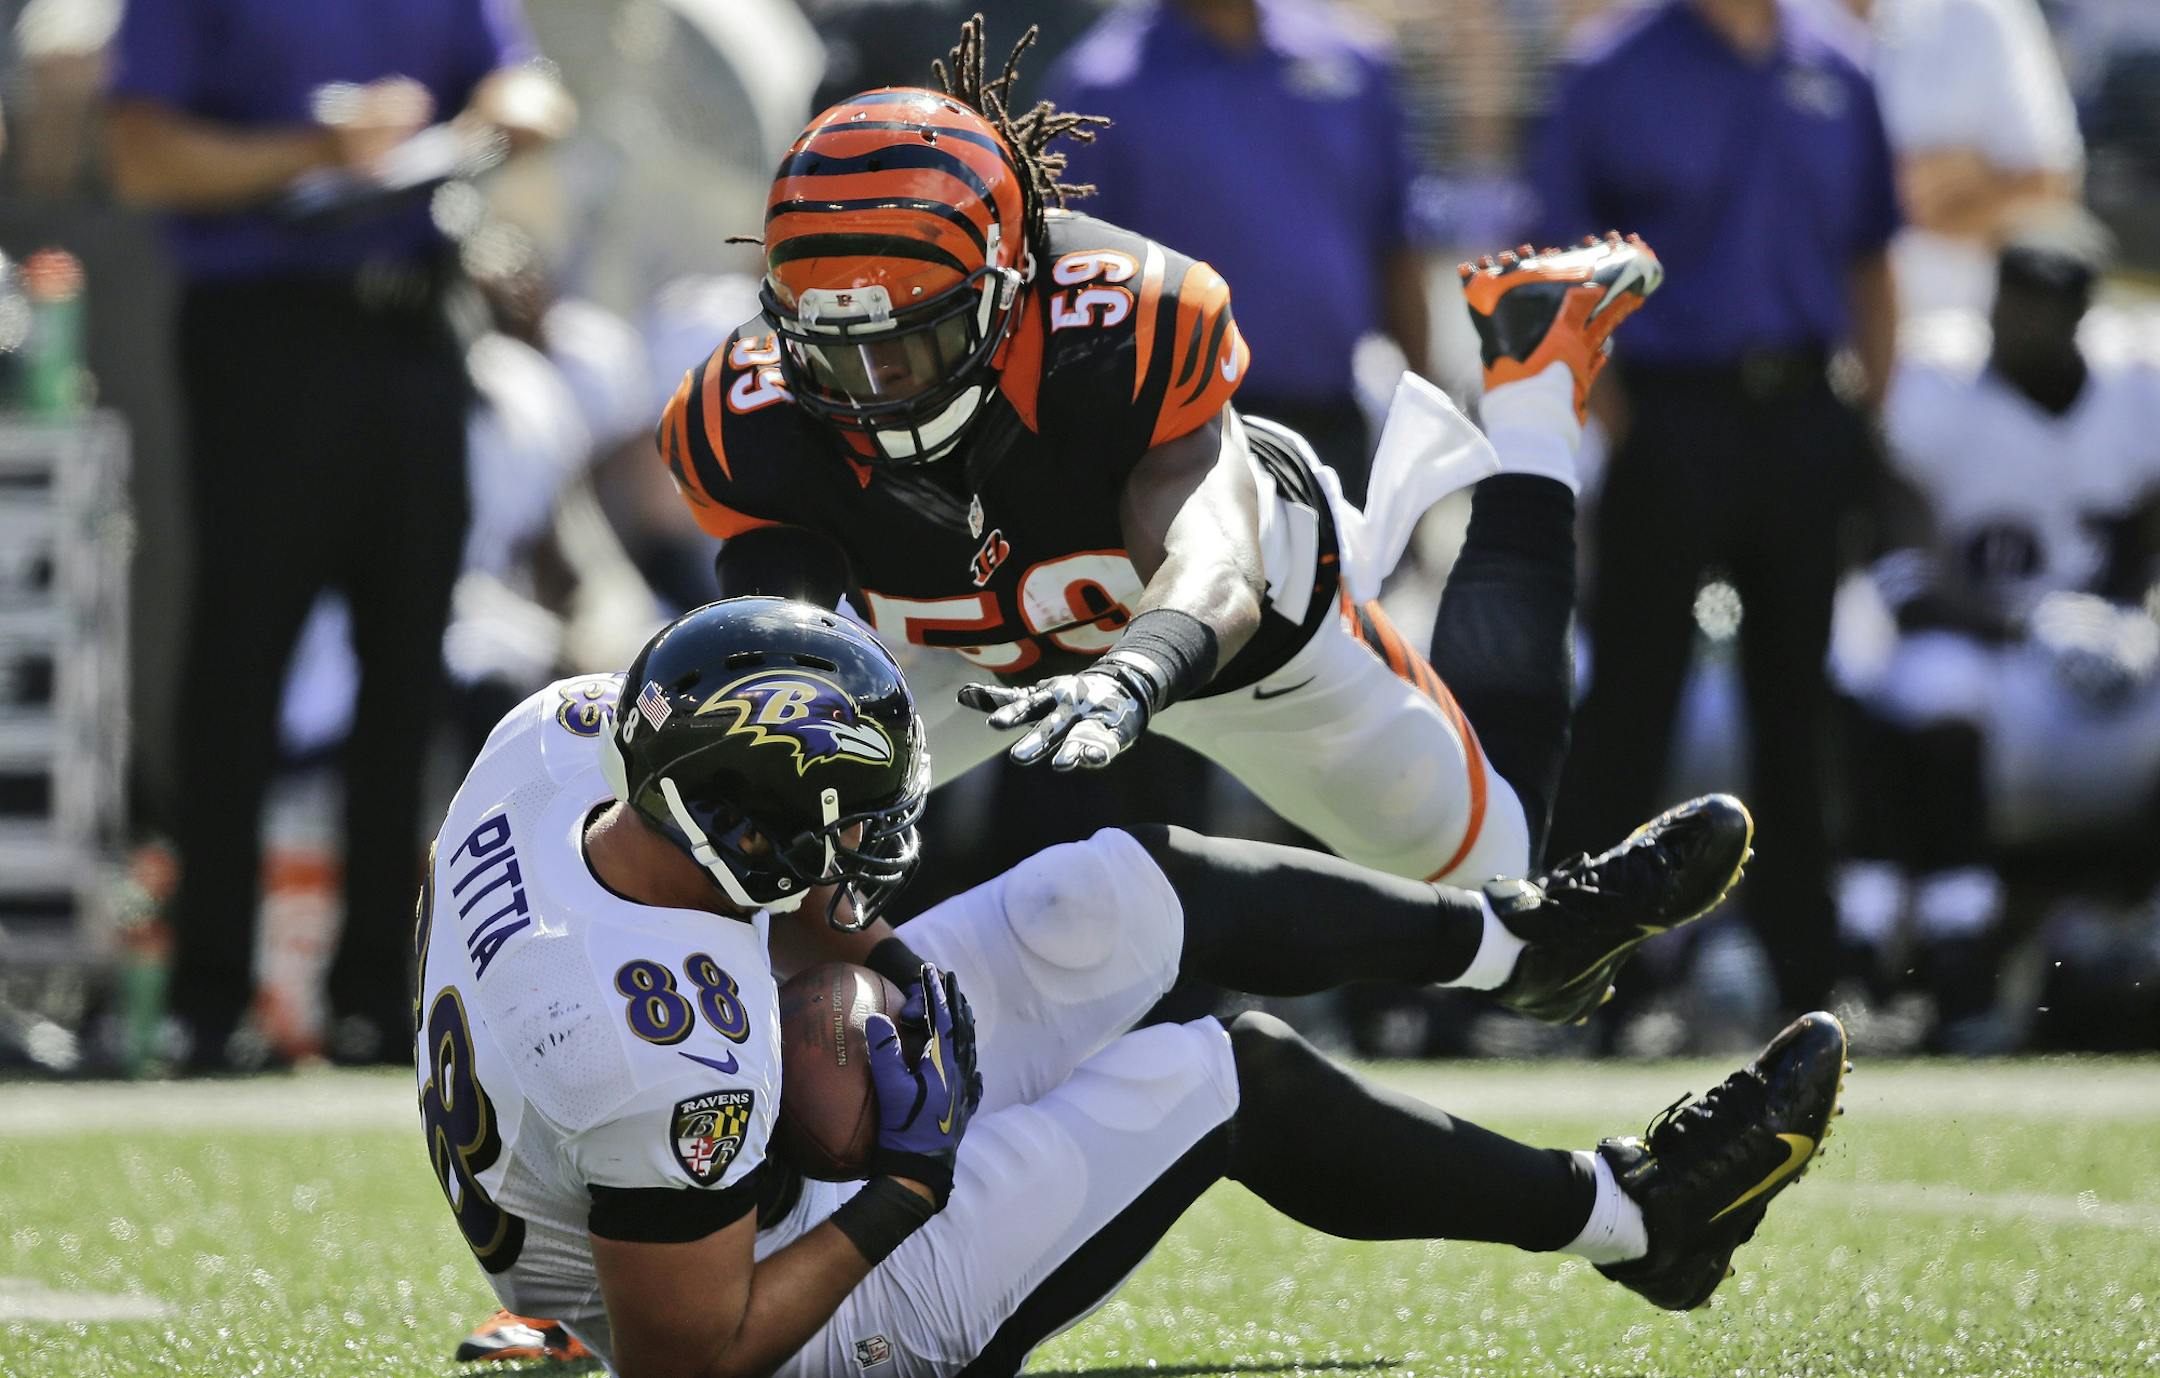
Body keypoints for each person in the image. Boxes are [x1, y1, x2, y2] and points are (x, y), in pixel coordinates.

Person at [423, 595, 1844, 1374]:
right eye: (844, 826)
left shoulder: (567, 742)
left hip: (682, 1105)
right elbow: (701, 1362)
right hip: (715, 1301)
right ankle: (1637, 1219)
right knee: (1219, 1074)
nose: (874, 854)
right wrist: (904, 1187)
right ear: (746, 837)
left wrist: (841, 952)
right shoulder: (650, 1046)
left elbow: (714, 920)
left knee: (1124, 890)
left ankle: (1521, 942)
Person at [657, 19, 1652, 897]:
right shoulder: (750, 413)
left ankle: (1531, 393)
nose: (873, 387)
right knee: (744, 836)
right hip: (975, 658)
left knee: (1501, 876)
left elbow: (1215, 560)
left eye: (910, 342)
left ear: (1008, 293)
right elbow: (773, 643)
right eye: (837, 351)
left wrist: (1134, 672)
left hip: (1237, 649)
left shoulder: (1117, 326)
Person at [103, 0, 570, 1068]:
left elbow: (529, 84)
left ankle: (379, 998)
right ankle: (208, 1000)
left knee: (410, 668)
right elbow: (142, 158)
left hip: (412, 330)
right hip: (267, 334)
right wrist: (323, 148)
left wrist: (498, 114)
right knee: (240, 664)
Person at [1533, 0, 1903, 1020]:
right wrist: (1619, 421)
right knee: (1629, 707)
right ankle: (1578, 974)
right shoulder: (1609, 70)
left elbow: (1873, 255)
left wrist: (1870, 413)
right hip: (1670, 411)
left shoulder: (1841, 63)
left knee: (1800, 705)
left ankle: (1810, 980)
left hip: (1804, 416)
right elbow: (1565, 271)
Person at [1847, 215, 2160, 1048]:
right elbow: (1898, 528)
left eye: (2032, 308)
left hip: (2086, 653)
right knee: (1930, 687)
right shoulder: (1938, 377)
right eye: (2005, 300)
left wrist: (2126, 613)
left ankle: (2135, 928)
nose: (2008, 322)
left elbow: (2141, 519)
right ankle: (1953, 949)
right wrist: (2024, 624)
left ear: (2078, 315)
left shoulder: (2134, 388)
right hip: (1975, 636)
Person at [1041, 0, 1433, 502]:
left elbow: (1396, 244)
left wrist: (1423, 427)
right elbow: (1068, 283)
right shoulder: (1102, 85)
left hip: (1333, 425)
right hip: (1175, 444)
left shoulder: (1353, 59)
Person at [1852, 0, 2085, 316]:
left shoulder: (1984, 13)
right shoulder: (1780, 16)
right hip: (1816, 337)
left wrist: (1912, 201)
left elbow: (2050, 187)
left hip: (1957, 337)